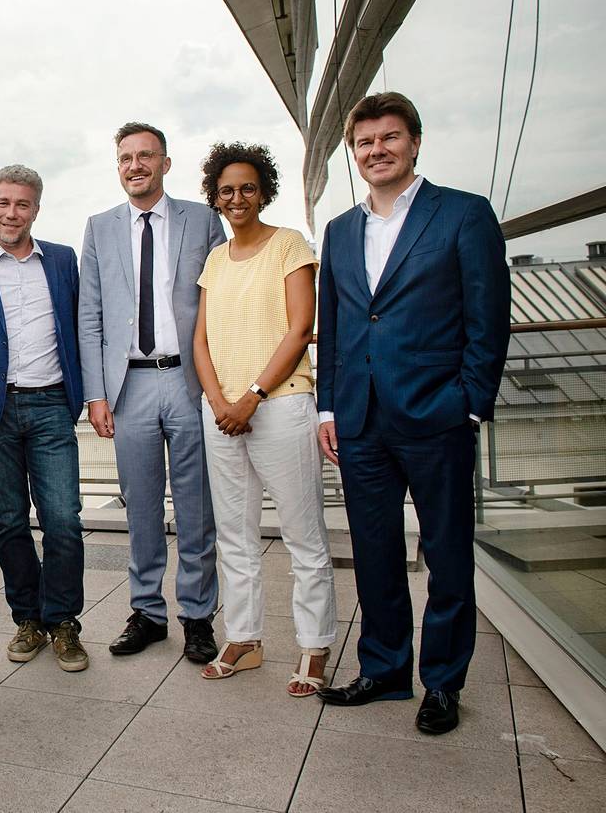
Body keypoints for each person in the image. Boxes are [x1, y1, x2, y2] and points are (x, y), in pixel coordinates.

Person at [314, 93, 509, 735]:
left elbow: (488, 318)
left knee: (447, 556)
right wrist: (327, 407)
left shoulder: (462, 214)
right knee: (374, 554)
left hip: (437, 416)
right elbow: (336, 325)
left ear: (415, 142)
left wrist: (470, 405)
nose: (378, 150)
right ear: (354, 152)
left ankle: (443, 682)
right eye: (365, 142)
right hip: (360, 420)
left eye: (390, 137)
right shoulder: (340, 230)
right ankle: (385, 669)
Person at [191, 143, 338, 695]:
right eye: (226, 190)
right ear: (215, 197)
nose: (237, 198)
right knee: (234, 535)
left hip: (280, 407)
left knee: (304, 536)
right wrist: (219, 401)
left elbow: (300, 328)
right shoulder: (215, 259)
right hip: (222, 414)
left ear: (263, 192)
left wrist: (251, 397)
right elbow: (200, 340)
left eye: (247, 188)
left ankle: (315, 646)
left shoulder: (289, 245)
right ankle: (244, 638)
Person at [78, 122, 224, 663]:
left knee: (196, 506)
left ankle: (198, 615)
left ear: (165, 162)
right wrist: (96, 394)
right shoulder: (100, 228)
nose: (135, 165)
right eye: (125, 158)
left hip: (190, 380)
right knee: (140, 507)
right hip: (129, 385)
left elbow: (222, 300)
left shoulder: (202, 220)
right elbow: (89, 316)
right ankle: (147, 612)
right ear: (118, 166)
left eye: (145, 155)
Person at [0, 164, 89, 672]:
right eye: (3, 202)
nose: (11, 213)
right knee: (9, 522)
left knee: (63, 519)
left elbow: (81, 325)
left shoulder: (61, 259)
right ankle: (28, 619)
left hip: (52, 404)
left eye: (22, 204)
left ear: (36, 208)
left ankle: (63, 621)